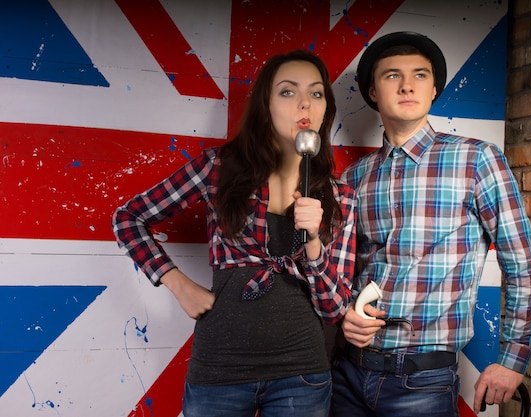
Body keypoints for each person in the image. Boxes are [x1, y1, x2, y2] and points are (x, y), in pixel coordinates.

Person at [113, 50, 357, 417]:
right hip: (219, 369)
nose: (305, 102)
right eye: (288, 92)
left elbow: (334, 308)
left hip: (302, 375)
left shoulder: (340, 198)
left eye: (317, 93)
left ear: (325, 109)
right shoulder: (219, 168)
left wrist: (312, 241)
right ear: (266, 105)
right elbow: (129, 218)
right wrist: (178, 284)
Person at [331, 31, 531, 417]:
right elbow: (340, 271)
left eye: (420, 75)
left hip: (422, 382)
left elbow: (523, 263)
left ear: (434, 90)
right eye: (392, 75)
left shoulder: (476, 159)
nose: (408, 84)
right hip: (347, 374)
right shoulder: (353, 177)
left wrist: (513, 359)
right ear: (373, 91)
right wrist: (345, 314)